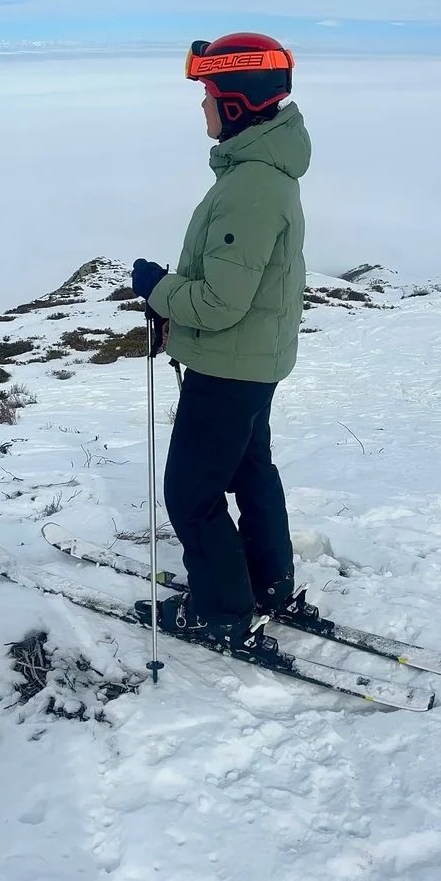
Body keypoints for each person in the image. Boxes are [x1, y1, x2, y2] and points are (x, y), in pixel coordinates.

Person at [130, 33, 312, 654]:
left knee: (190, 490)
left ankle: (222, 609)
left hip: (230, 368)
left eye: (208, 93)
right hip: (253, 360)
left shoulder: (250, 186)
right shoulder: (262, 173)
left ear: (236, 102)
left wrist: (158, 289)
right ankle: (269, 583)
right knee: (249, 469)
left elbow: (219, 302)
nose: (201, 105)